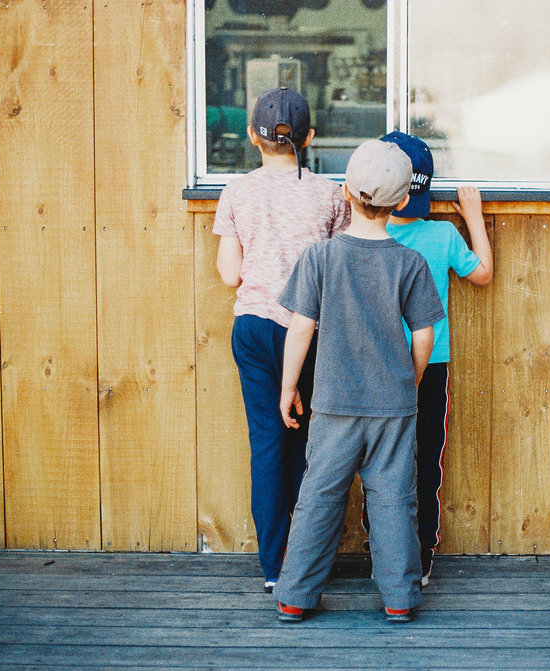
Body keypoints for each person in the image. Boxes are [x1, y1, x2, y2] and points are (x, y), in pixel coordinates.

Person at [273, 139, 446, 624]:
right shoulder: (409, 263)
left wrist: (289, 388)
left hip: (334, 405)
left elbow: (301, 327)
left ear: (345, 191)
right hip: (393, 405)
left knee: (320, 496)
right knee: (394, 499)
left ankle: (295, 596)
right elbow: (426, 334)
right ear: (399, 203)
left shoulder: (321, 257)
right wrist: (409, 382)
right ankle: (400, 599)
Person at [212, 87, 350, 594]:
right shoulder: (330, 194)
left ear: (252, 136)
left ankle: (274, 567)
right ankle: (306, 558)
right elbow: (337, 267)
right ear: (309, 138)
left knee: (267, 444)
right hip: (310, 330)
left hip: (253, 328)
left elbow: (230, 275)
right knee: (311, 445)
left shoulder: (236, 191)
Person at [361, 131, 493, 587]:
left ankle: (378, 546)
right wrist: (473, 218)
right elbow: (483, 274)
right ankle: (418, 556)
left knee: (377, 459)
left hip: (376, 366)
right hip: (431, 366)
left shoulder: (365, 235)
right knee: (424, 460)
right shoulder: (441, 233)